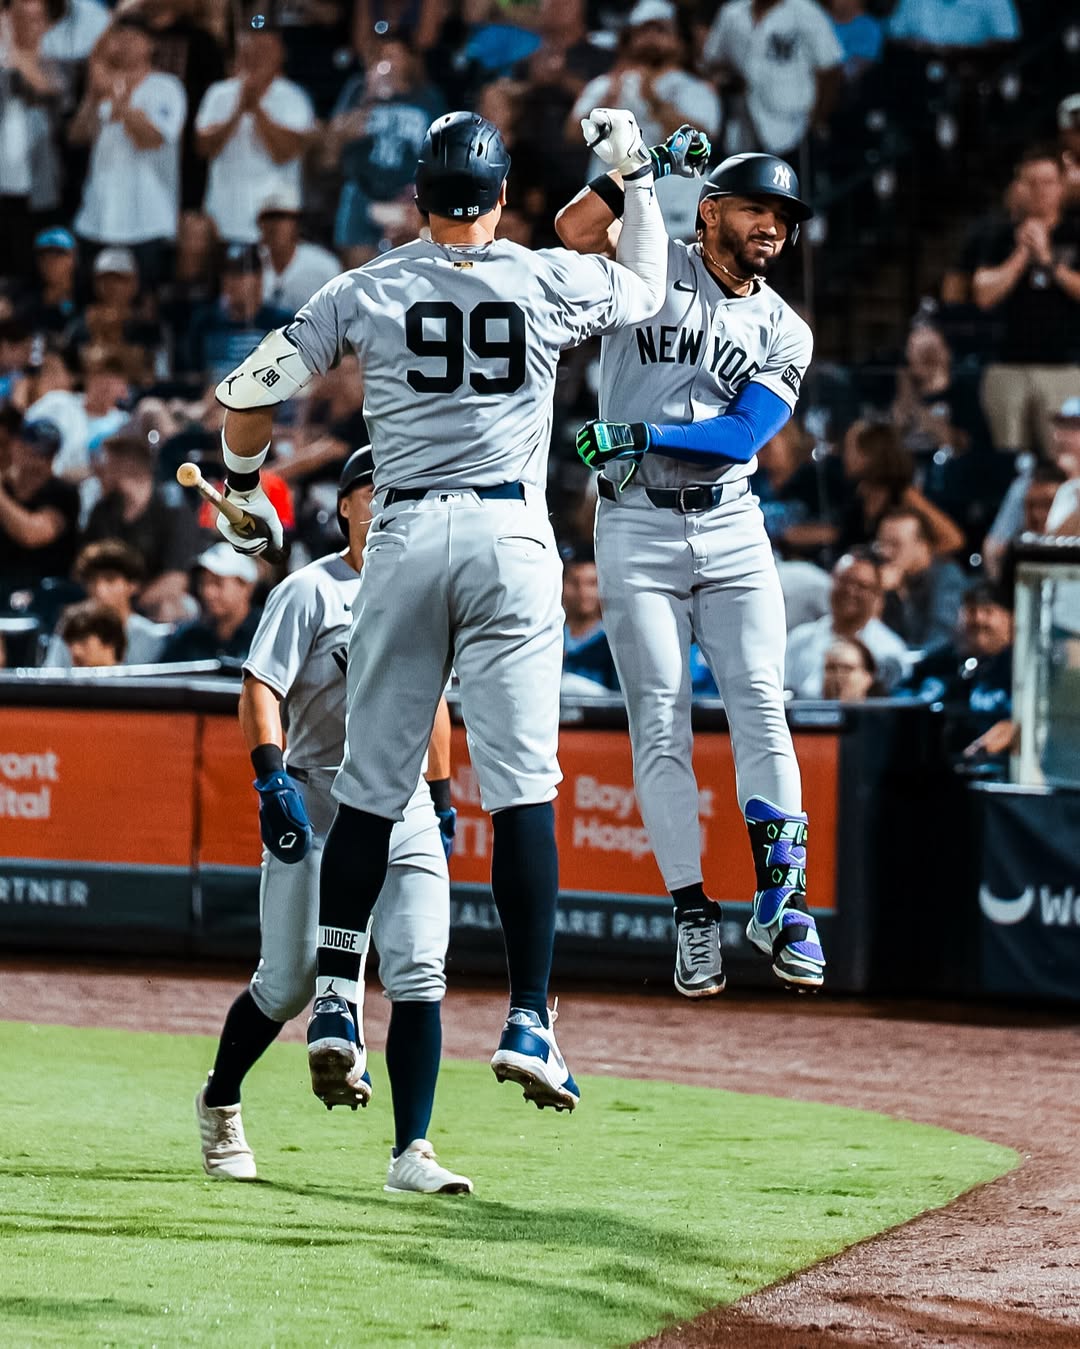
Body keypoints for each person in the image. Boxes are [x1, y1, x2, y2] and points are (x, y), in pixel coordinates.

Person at [211, 108, 669, 1115]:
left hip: (407, 533)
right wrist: (636, 176)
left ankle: (334, 997)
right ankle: (531, 1015)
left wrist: (245, 481)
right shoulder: (543, 274)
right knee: (523, 791)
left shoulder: (367, 286)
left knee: (374, 787)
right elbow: (648, 287)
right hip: (512, 532)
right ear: (503, 196)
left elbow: (246, 389)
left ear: (419, 196)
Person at [556, 150, 827, 996]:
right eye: (756, 210)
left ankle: (782, 903)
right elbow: (571, 231)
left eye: (783, 217)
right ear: (708, 210)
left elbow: (744, 436)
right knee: (662, 718)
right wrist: (641, 170)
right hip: (635, 525)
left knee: (759, 701)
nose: (774, 228)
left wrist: (642, 438)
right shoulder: (652, 262)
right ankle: (692, 910)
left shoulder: (786, 327)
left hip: (731, 521)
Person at [196, 449, 471, 1194]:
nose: (390, 504)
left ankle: (411, 1149)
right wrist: (269, 773)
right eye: (377, 491)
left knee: (418, 968)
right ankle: (220, 1098)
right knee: (287, 983)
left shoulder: (428, 591)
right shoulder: (309, 589)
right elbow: (261, 687)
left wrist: (443, 797)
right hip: (316, 797)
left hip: (402, 799)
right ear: (347, 504)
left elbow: (434, 702)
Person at [972, 146, 1080, 456]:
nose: (1039, 191)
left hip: (1062, 367)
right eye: (1030, 183)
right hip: (1008, 365)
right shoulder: (999, 236)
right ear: (1018, 186)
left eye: (1047, 182)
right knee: (1008, 459)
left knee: (1064, 458)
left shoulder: (1074, 233)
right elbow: (983, 294)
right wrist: (1022, 254)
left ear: (1061, 185)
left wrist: (1048, 261)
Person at [68, 19, 187, 285]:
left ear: (150, 44)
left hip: (148, 218)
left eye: (133, 37)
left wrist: (119, 102)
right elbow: (77, 136)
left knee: (144, 309)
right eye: (119, 37)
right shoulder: (102, 88)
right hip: (98, 217)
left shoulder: (167, 87)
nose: (124, 44)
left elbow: (152, 139)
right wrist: (91, 98)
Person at [194, 24, 315, 246]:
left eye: (264, 49)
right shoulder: (219, 94)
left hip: (274, 221)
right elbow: (203, 148)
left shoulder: (294, 97)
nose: (256, 56)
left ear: (280, 54)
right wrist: (238, 110)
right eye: (250, 48)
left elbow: (284, 153)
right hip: (223, 214)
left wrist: (257, 111)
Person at [703, 0, 842, 159]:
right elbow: (712, 61)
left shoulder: (805, 12)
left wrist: (816, 121)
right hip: (744, 123)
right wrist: (731, 78)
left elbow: (831, 70)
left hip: (792, 126)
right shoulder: (732, 13)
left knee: (790, 180)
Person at [785, 548, 909, 697]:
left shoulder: (889, 649)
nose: (850, 590)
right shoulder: (799, 639)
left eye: (861, 586)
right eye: (843, 581)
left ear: (877, 596)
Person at [43, 538, 169, 666]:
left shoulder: (149, 637)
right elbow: (50, 677)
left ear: (132, 585)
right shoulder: (69, 629)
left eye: (110, 580)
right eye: (92, 581)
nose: (99, 589)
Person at [0, 416, 79, 607]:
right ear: (16, 446)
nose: (39, 462)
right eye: (33, 452)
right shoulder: (6, 488)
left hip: (43, 593)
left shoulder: (62, 493)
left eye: (47, 455)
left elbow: (31, 534)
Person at [873, 505, 967, 653]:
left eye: (895, 545)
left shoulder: (947, 577)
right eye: (881, 544)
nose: (885, 553)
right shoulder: (883, 579)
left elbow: (939, 642)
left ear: (922, 546)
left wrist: (901, 596)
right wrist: (876, 595)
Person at [159, 542, 261, 665]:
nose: (207, 593)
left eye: (218, 583)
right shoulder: (187, 637)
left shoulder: (266, 634)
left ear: (246, 587)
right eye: (203, 583)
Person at [257, 190, 340, 314]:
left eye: (282, 218)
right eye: (269, 219)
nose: (274, 226)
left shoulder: (324, 265)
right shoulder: (250, 264)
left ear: (296, 224)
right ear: (260, 225)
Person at [561, 545, 619, 693]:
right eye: (574, 583)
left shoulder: (613, 642)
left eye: (592, 584)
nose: (583, 592)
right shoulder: (548, 636)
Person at [54, 596, 126, 665]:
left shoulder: (133, 677)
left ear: (109, 641)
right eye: (70, 644)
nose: (75, 652)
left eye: (83, 642)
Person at [821, 634, 881, 701]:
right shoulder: (811, 710)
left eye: (847, 668)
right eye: (831, 668)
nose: (838, 675)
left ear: (867, 677)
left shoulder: (888, 710)